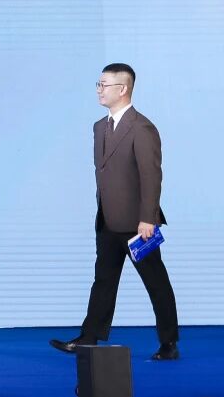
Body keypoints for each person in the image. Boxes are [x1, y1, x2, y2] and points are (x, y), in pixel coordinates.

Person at [50, 63, 180, 360]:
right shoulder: (100, 127)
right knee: (104, 281)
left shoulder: (142, 128)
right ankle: (88, 337)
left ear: (122, 89)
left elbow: (151, 176)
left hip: (138, 225)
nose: (99, 90)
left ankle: (169, 343)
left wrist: (148, 218)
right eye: (98, 84)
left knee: (156, 283)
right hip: (108, 220)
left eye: (104, 84)